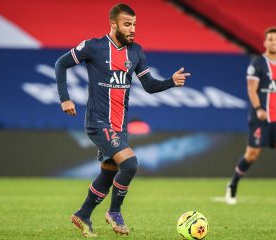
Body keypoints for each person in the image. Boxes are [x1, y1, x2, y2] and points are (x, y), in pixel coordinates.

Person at [55, 3, 190, 237]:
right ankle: (114, 212)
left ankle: (83, 214)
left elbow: (149, 86)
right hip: (98, 122)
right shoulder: (94, 46)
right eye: (127, 24)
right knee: (130, 164)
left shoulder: (136, 52)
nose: (132, 29)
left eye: (134, 24)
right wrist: (65, 98)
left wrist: (170, 81)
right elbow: (61, 64)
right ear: (113, 24)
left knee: (109, 171)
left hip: (119, 125)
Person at [225, 27, 276, 206]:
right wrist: (259, 108)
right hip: (260, 117)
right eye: (270, 39)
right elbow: (251, 89)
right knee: (252, 155)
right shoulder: (257, 63)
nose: (274, 42)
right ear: (265, 42)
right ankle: (232, 184)